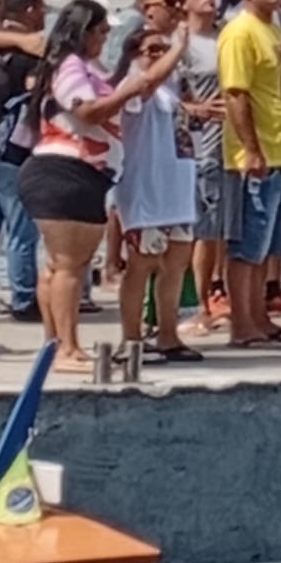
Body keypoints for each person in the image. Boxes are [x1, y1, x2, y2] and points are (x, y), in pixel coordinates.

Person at [18, 0, 173, 374]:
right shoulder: (70, 65)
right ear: (84, 32)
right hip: (67, 172)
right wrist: (132, 87)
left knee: (57, 267)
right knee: (70, 266)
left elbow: (106, 88)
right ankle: (66, 349)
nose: (105, 38)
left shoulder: (79, 67)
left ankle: (54, 346)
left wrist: (125, 65)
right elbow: (87, 109)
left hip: (66, 173)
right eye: (102, 32)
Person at [218, 0, 281, 348]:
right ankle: (241, 325)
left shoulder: (276, 29)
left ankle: (259, 318)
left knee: (267, 248)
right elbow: (235, 94)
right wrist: (251, 149)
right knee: (247, 246)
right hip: (256, 156)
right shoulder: (240, 32)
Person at [112, 24, 201, 362]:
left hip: (177, 189)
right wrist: (177, 47)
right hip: (146, 192)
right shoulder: (133, 84)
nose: (161, 56)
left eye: (163, 50)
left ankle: (168, 335)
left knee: (176, 265)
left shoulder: (173, 90)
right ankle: (131, 339)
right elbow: (146, 86)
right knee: (142, 264)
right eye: (152, 50)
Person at [0, 0, 45, 322]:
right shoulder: (30, 52)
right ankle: (23, 298)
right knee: (21, 229)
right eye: (42, 8)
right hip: (15, 150)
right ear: (30, 10)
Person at [178, 0, 228, 327]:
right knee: (198, 230)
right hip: (197, 146)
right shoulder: (181, 43)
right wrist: (194, 109)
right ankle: (194, 307)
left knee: (214, 231)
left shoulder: (226, 36)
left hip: (227, 146)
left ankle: (211, 296)